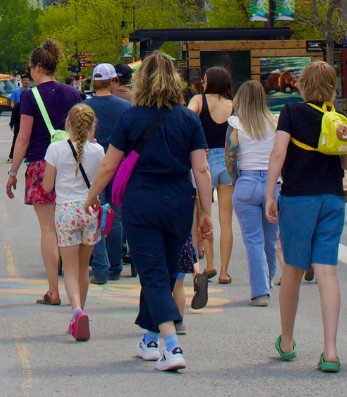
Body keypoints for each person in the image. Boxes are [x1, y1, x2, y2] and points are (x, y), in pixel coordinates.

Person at [81, 52, 212, 373]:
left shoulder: (131, 118)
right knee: (164, 272)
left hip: (142, 201)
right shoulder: (188, 118)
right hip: (179, 200)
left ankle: (171, 345)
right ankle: (150, 339)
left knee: (152, 273)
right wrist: (206, 212)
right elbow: (202, 169)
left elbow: (109, 164)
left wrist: (92, 194)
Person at [266, 62, 347, 370]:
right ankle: (330, 351)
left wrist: (270, 194)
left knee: (292, 271)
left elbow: (278, 152)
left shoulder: (291, 112)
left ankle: (287, 341)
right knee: (327, 273)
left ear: (303, 85)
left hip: (298, 198)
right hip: (332, 198)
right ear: (332, 87)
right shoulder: (338, 118)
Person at [6, 39, 80, 307]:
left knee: (48, 229)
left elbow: (23, 138)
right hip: (70, 163)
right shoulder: (73, 94)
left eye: (29, 68)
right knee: (69, 227)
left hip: (41, 164)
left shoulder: (30, 96)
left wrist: (13, 171)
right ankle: (75, 288)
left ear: (38, 68)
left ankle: (53, 290)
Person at [43, 102, 106, 342]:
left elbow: (47, 186)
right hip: (89, 209)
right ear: (92, 126)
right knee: (83, 267)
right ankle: (81, 312)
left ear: (68, 123)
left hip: (66, 211)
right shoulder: (98, 151)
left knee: (69, 269)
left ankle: (76, 311)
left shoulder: (55, 149)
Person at [226, 79, 278, 307]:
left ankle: (260, 292)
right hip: (274, 184)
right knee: (270, 239)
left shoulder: (236, 124)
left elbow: (230, 158)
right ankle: (267, 281)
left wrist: (236, 180)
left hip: (247, 181)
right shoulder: (276, 122)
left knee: (253, 241)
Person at [187, 66, 237, 290]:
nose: (202, 82)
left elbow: (187, 117)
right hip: (227, 161)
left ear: (210, 82)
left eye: (204, 79)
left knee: (203, 214)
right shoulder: (233, 105)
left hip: (204, 160)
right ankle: (225, 271)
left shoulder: (199, 100)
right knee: (226, 220)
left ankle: (210, 264)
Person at [85, 64, 132, 286]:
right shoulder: (125, 107)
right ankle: (115, 265)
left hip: (92, 165)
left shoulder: (85, 107)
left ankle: (99, 265)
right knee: (116, 217)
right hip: (118, 164)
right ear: (113, 81)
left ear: (94, 83)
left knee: (95, 215)